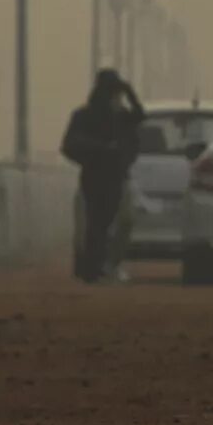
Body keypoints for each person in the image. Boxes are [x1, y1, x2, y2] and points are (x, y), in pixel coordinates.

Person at [59, 69, 146, 283]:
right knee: (97, 224)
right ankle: (94, 268)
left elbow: (140, 116)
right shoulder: (85, 116)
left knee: (111, 222)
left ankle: (100, 266)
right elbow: (70, 145)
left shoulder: (120, 117)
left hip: (114, 176)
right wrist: (101, 150)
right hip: (95, 175)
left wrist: (129, 91)